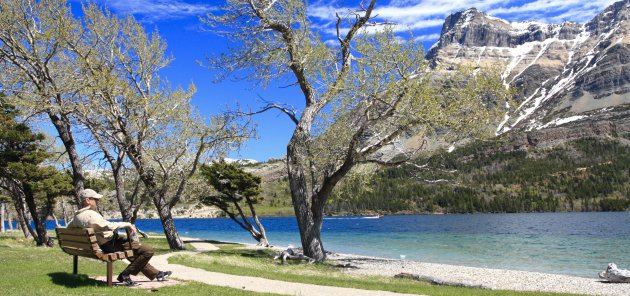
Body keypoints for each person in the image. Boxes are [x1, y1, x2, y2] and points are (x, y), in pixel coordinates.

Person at [67, 188, 172, 286]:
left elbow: (68, 228)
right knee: (148, 250)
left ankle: (157, 274)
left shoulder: (77, 216)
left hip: (104, 244)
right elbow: (108, 226)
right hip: (111, 244)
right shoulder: (91, 215)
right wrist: (126, 224)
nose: (97, 201)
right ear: (87, 200)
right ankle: (125, 274)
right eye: (95, 199)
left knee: (134, 255)